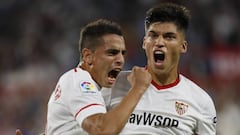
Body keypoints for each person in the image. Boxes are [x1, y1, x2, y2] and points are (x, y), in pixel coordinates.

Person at [109, 3, 217, 135]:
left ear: (183, 47)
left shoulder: (201, 101)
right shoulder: (113, 85)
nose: (159, 42)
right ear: (144, 43)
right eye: (153, 35)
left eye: (169, 37)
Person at [42, 19, 151, 135]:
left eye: (122, 53)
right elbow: (101, 130)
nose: (120, 60)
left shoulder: (75, 81)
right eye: (112, 53)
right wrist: (138, 87)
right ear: (88, 57)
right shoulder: (79, 80)